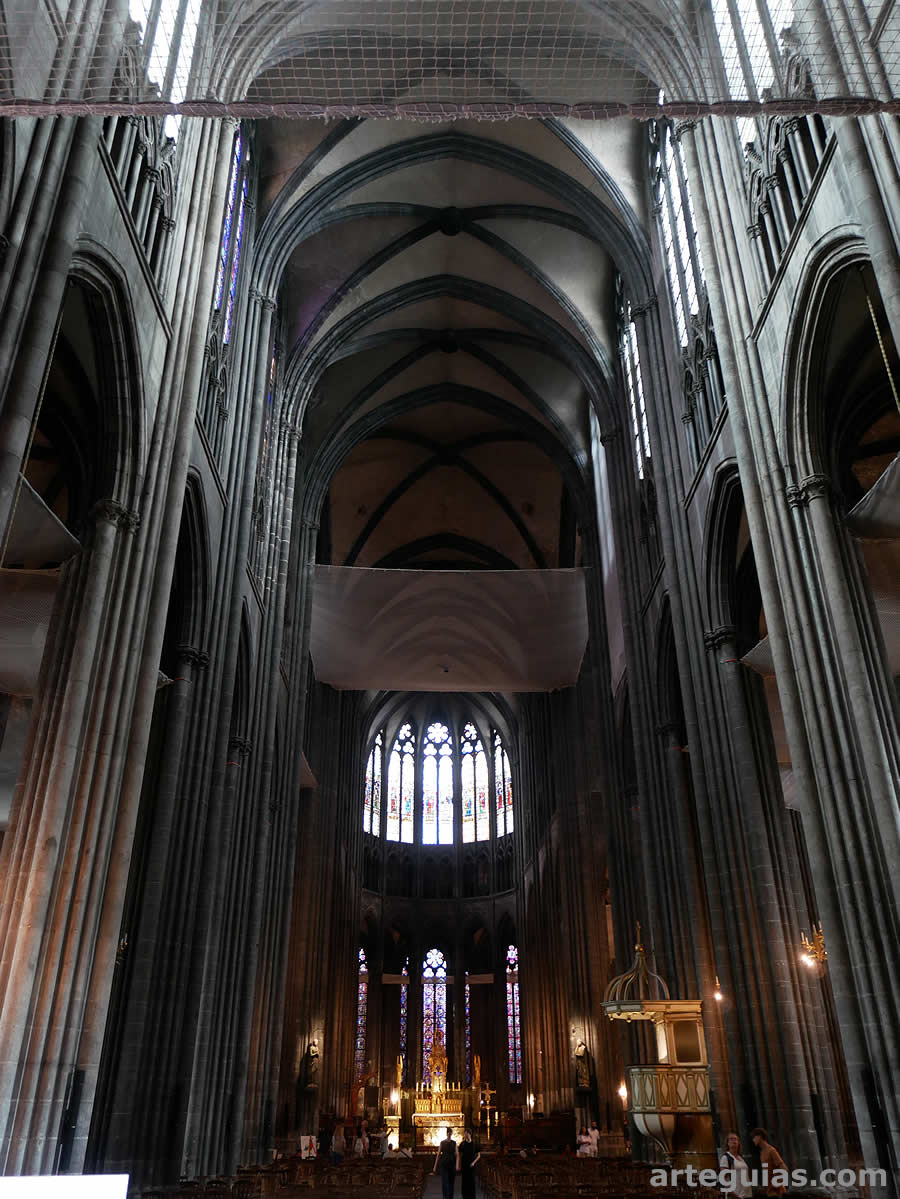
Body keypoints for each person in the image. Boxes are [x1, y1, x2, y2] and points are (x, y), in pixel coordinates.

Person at [751, 1128, 788, 1196]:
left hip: (777, 1192)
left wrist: (776, 1182)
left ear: (759, 1137)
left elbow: (784, 1168)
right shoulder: (762, 1152)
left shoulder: (771, 1150)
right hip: (769, 1191)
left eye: (754, 1137)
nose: (753, 1140)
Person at [719, 1132, 752, 1198]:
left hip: (747, 1194)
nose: (734, 1141)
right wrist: (734, 1195)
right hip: (736, 1195)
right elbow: (723, 1179)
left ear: (738, 1142)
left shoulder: (741, 1158)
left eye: (735, 1139)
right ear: (728, 1143)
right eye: (731, 1139)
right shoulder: (726, 1157)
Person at [433, 1126, 458, 1199]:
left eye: (451, 1133)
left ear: (451, 1134)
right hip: (444, 1164)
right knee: (444, 1182)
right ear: (447, 1134)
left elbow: (457, 1154)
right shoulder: (442, 1142)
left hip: (451, 1164)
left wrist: (457, 1164)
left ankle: (450, 1197)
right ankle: (445, 1197)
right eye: (449, 1133)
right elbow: (438, 1154)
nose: (449, 1135)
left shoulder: (454, 1143)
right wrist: (435, 1166)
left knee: (451, 1183)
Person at [459, 1128, 481, 1199]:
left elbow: (478, 1156)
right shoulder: (462, 1144)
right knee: (464, 1182)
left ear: (470, 1134)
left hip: (472, 1166)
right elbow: (459, 1155)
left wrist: (473, 1163)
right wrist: (459, 1164)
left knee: (472, 1182)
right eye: (465, 1134)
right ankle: (465, 1196)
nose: (465, 1135)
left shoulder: (475, 1144)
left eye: (466, 1134)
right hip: (464, 1165)